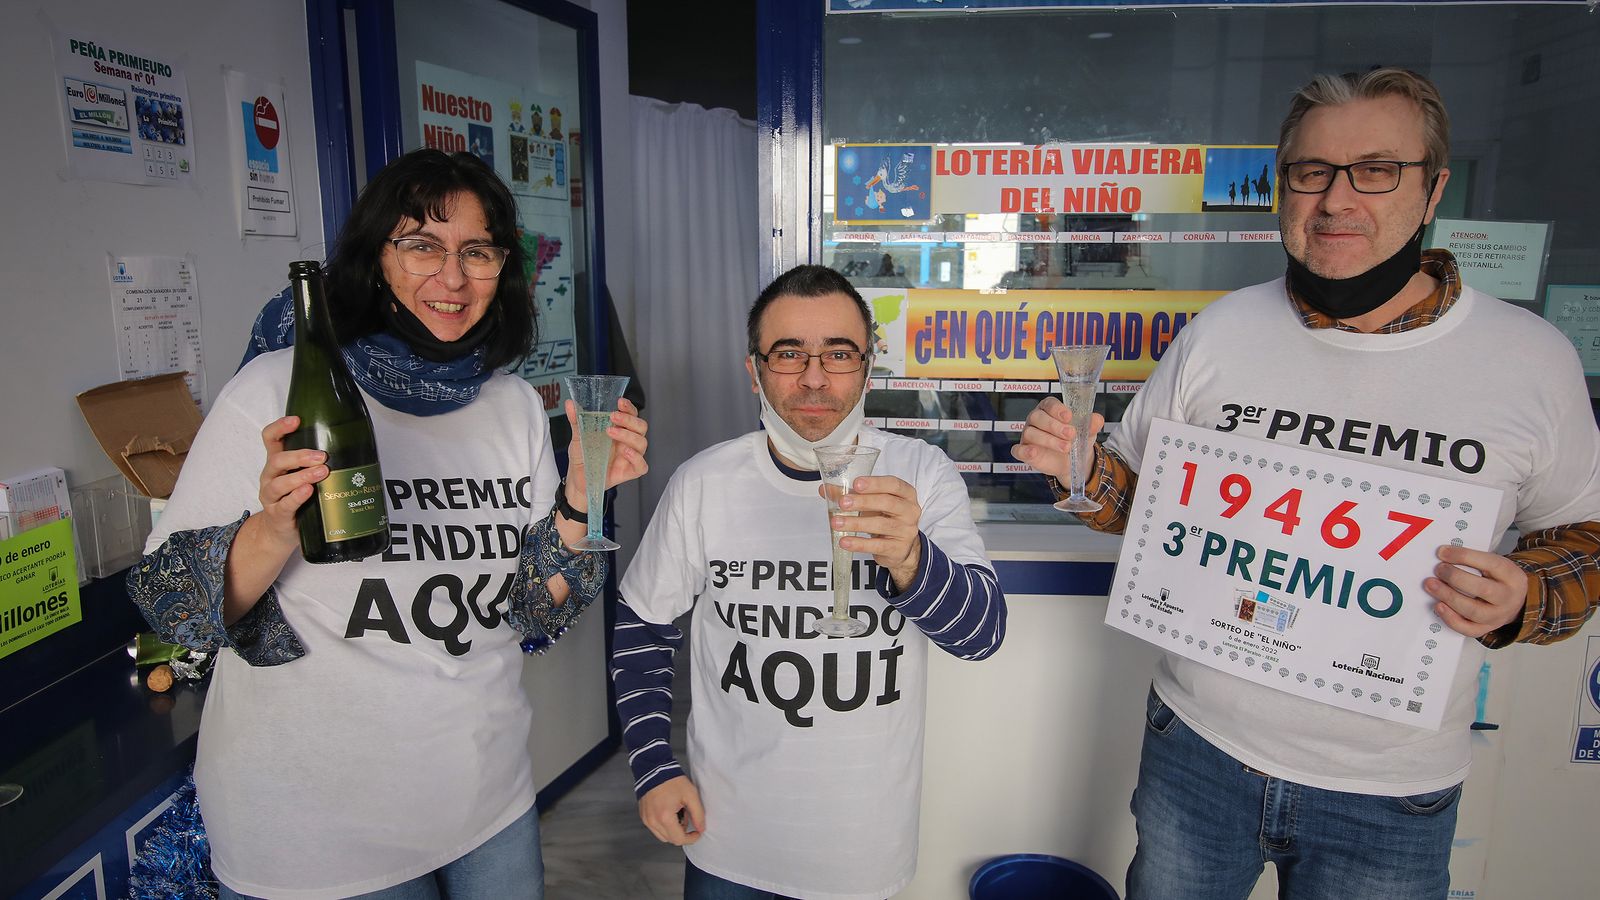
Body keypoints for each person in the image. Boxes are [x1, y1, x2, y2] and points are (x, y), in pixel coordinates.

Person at [1015, 67, 1600, 899]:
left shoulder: (1529, 359)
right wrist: (1079, 467)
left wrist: (1523, 598)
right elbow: (1145, 503)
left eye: (1375, 170)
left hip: (1390, 791)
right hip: (1196, 749)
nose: (1336, 199)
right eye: (1310, 172)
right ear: (1282, 187)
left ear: (1431, 190)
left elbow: (1584, 536)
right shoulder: (1221, 331)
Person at [127, 148, 649, 900]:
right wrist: (276, 526)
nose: (453, 276)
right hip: (317, 821)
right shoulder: (277, 390)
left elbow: (536, 609)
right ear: (376, 260)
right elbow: (169, 602)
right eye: (421, 246)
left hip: (486, 796)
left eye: (477, 251)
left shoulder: (507, 404)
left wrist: (579, 499)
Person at [612, 265, 1007, 899]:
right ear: (755, 371)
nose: (815, 377)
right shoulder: (703, 482)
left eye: (839, 354)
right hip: (727, 839)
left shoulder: (921, 475)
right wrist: (652, 767)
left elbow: (982, 634)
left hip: (862, 846)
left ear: (868, 368)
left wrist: (910, 558)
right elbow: (643, 627)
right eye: (789, 353)